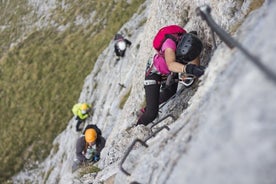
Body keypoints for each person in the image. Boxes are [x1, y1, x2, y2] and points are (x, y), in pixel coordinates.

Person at [136, 26, 205, 126]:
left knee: (170, 93)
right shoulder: (169, 45)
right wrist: (189, 69)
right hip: (154, 73)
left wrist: (194, 72)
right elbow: (171, 64)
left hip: (170, 71)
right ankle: (138, 127)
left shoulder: (191, 44)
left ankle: (146, 108)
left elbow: (194, 65)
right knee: (152, 113)